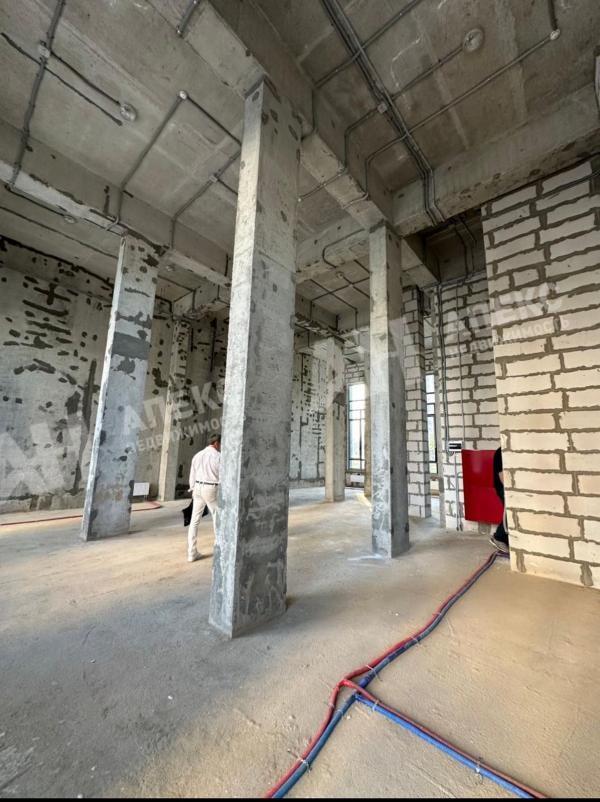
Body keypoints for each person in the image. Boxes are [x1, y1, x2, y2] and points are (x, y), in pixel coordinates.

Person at [187, 433, 221, 563]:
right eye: (220, 444)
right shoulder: (218, 456)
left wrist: (192, 488)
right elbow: (222, 476)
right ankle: (219, 548)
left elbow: (192, 474)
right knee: (217, 518)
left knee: (194, 521)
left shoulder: (198, 455)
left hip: (197, 488)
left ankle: (191, 553)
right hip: (210, 488)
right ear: (216, 443)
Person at [490, 446, 509, 554]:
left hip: (511, 487)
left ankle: (506, 539)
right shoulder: (500, 453)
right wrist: (510, 491)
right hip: (503, 488)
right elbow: (502, 477)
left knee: (510, 514)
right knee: (509, 513)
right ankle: (499, 538)